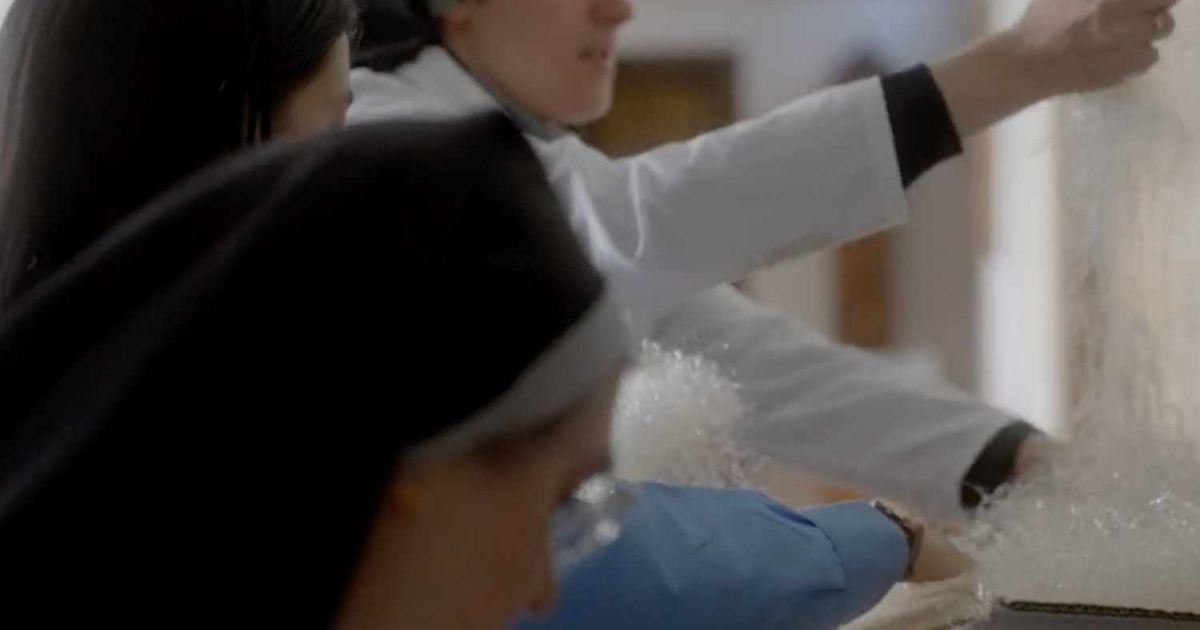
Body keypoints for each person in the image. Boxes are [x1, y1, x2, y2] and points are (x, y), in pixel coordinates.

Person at [0, 1, 931, 628]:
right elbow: (594, 570)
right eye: (327, 128)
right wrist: (874, 537)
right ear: (230, 130)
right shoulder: (247, 431)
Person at [345, 0, 1178, 627]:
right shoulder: (384, 130)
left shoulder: (506, 150)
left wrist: (1023, 463)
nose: (620, 7)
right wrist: (1019, 64)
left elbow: (746, 363)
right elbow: (642, 222)